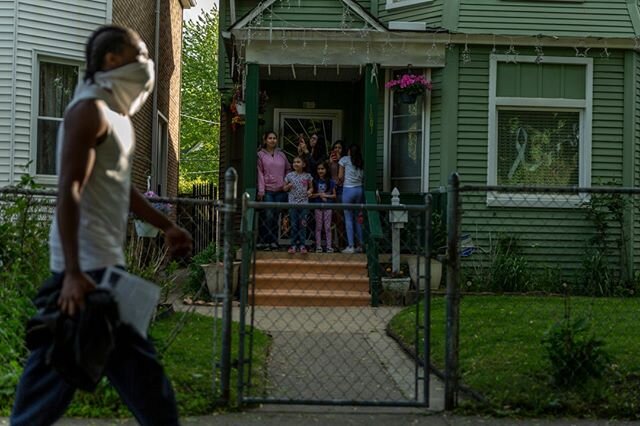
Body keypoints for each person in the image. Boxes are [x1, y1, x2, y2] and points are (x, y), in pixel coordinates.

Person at [10, 25, 192, 426]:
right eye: (140, 55)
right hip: (83, 274)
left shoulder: (117, 116)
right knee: (52, 380)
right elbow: (69, 189)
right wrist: (72, 273)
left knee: (146, 386)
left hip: (107, 270)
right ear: (112, 61)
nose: (147, 65)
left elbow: (121, 189)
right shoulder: (88, 110)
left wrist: (166, 226)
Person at [257, 131, 291, 250]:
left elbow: (288, 169)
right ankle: (266, 241)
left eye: (274, 138)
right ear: (265, 140)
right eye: (270, 138)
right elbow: (260, 173)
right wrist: (261, 191)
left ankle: (274, 242)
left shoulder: (281, 154)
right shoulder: (260, 155)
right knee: (268, 216)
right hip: (268, 191)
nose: (272, 140)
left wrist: (285, 183)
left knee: (276, 216)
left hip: (280, 191)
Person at [283, 156, 313, 254]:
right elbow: (284, 188)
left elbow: (311, 188)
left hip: (304, 204)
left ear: (303, 164)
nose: (295, 163)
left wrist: (309, 191)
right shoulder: (289, 175)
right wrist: (288, 186)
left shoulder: (308, 176)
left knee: (303, 225)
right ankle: (293, 245)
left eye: (298, 162)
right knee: (294, 225)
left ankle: (302, 245)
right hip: (292, 204)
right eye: (294, 162)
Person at [338, 144, 365, 254]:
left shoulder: (344, 159)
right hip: (359, 189)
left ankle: (351, 246)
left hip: (348, 190)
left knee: (348, 218)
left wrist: (341, 181)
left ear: (348, 151)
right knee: (358, 218)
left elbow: (340, 176)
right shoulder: (360, 161)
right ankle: (361, 245)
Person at [310, 162, 336, 253]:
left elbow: (334, 195)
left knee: (327, 227)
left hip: (328, 206)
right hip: (318, 206)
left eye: (322, 169)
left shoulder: (331, 181)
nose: (320, 171)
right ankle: (318, 246)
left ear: (326, 170)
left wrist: (325, 196)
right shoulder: (314, 181)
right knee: (318, 227)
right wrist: (320, 195)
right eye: (318, 169)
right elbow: (311, 195)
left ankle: (329, 246)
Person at [328, 140, 345, 248]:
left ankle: (341, 243)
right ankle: (330, 244)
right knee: (329, 217)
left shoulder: (345, 161)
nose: (337, 150)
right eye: (335, 147)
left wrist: (340, 161)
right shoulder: (329, 161)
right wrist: (329, 163)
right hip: (330, 190)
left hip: (341, 190)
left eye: (339, 147)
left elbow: (344, 176)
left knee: (340, 217)